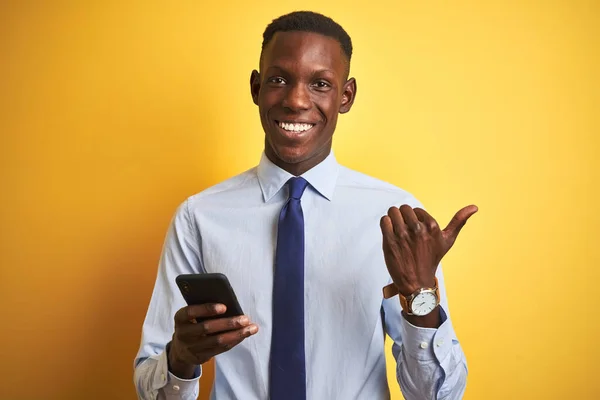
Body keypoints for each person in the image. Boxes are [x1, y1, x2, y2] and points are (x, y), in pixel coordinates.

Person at [134, 10, 477, 400]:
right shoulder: (198, 217)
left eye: (320, 84)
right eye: (279, 80)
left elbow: (438, 397)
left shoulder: (395, 219)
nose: (297, 101)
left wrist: (420, 298)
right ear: (256, 87)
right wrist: (180, 359)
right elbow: (152, 386)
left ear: (345, 96)